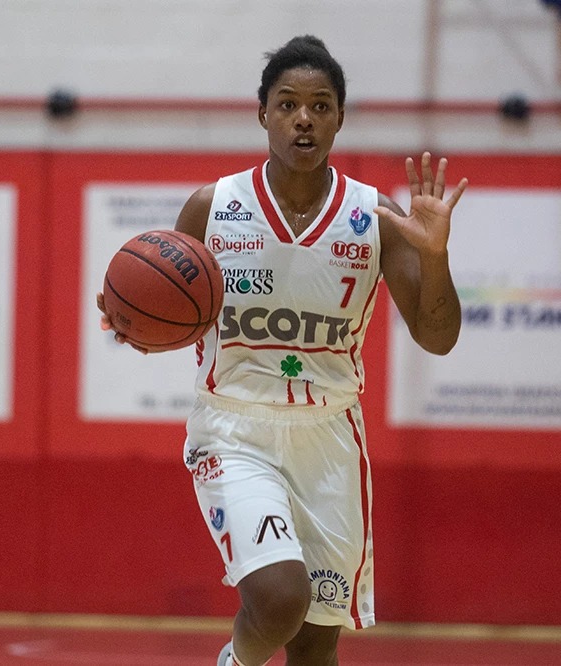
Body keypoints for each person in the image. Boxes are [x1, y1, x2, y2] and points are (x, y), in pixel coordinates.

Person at [99, 35, 467, 665]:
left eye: (321, 106)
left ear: (339, 119)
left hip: (330, 438)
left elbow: (438, 337)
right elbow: (176, 319)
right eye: (289, 103)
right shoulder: (213, 208)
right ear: (263, 113)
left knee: (314, 648)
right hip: (234, 431)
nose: (304, 118)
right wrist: (134, 323)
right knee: (278, 600)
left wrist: (435, 256)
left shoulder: (374, 217)